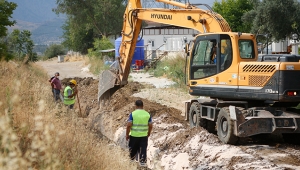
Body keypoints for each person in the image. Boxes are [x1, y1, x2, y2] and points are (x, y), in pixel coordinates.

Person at [126, 100, 153, 167]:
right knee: (143, 150)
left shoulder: (133, 114)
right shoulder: (147, 114)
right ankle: (142, 164)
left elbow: (129, 125)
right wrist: (148, 133)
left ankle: (131, 164)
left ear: (136, 106)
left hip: (134, 136)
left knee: (132, 151)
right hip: (144, 136)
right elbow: (150, 126)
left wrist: (127, 134)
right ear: (142, 106)